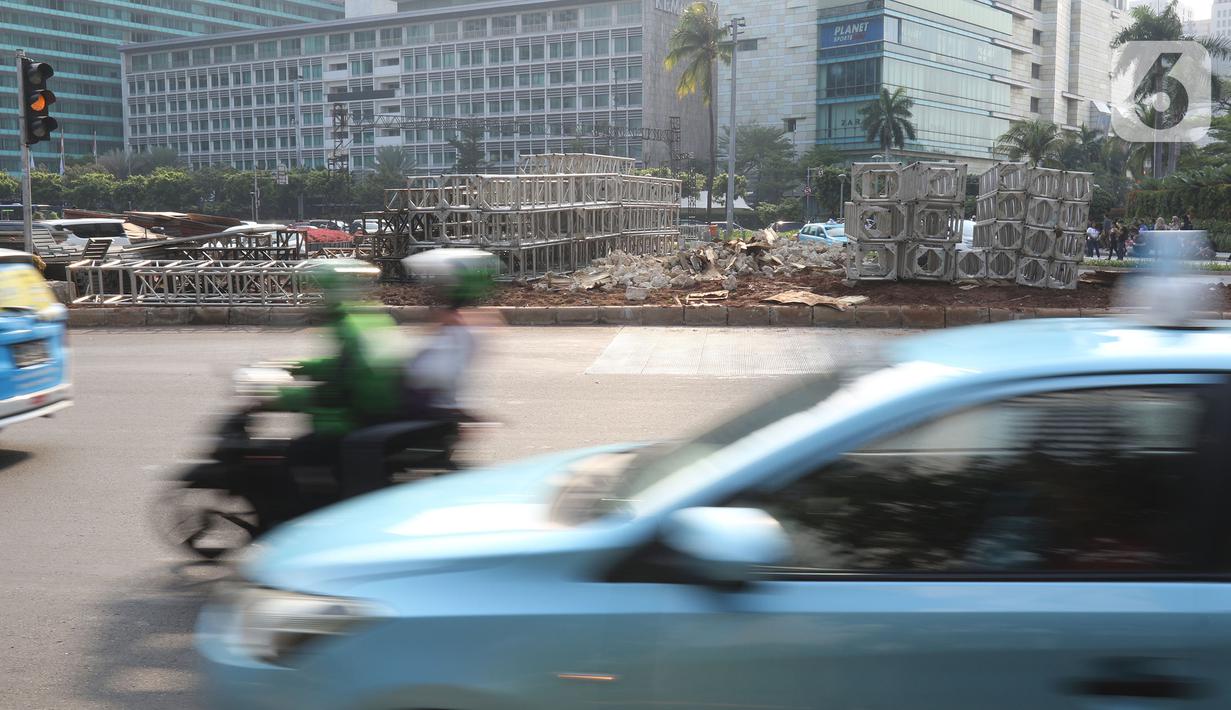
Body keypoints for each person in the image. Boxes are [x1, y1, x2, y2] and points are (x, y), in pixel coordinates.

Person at [265, 259, 411, 497]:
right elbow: (340, 366)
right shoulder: (369, 316)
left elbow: (338, 385)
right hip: (375, 411)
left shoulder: (348, 325)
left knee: (295, 454)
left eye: (320, 292)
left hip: (356, 417)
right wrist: (297, 366)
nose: (316, 299)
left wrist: (282, 398)